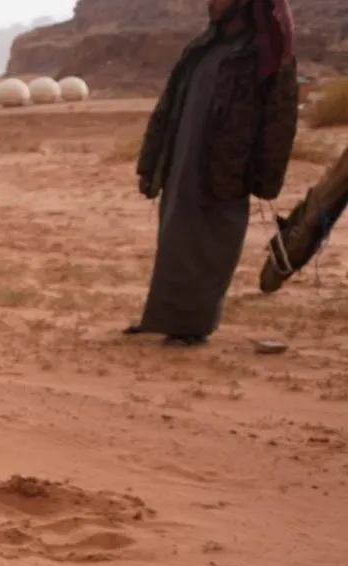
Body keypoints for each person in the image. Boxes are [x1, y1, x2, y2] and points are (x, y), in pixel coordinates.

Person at [127, 0, 298, 345]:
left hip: (225, 170)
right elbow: (166, 109)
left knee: (209, 249)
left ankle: (192, 326)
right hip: (181, 164)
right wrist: (150, 164)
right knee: (176, 244)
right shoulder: (201, 48)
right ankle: (163, 317)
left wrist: (267, 180)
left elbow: (279, 122)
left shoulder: (265, 55)